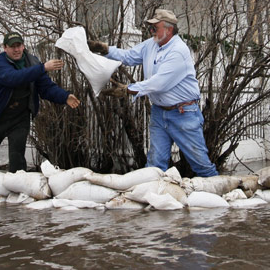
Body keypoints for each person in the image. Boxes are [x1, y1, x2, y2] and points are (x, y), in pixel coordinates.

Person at [91, 9, 218, 177]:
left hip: (183, 114)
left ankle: (221, 199)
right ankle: (156, 198)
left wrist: (127, 89)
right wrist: (105, 49)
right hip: (160, 113)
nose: (151, 32)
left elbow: (159, 83)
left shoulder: (178, 51)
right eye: (150, 28)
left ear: (169, 29)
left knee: (200, 164)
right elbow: (128, 56)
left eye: (154, 28)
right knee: (155, 165)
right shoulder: (151, 44)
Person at [0, 32, 80, 173]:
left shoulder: (33, 62)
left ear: (23, 46)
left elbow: (46, 88)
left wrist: (64, 96)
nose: (17, 50)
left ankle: (17, 190)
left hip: (20, 117)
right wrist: (43, 68)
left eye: (19, 46)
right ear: (5, 48)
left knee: (17, 158)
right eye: (12, 47)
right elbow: (14, 78)